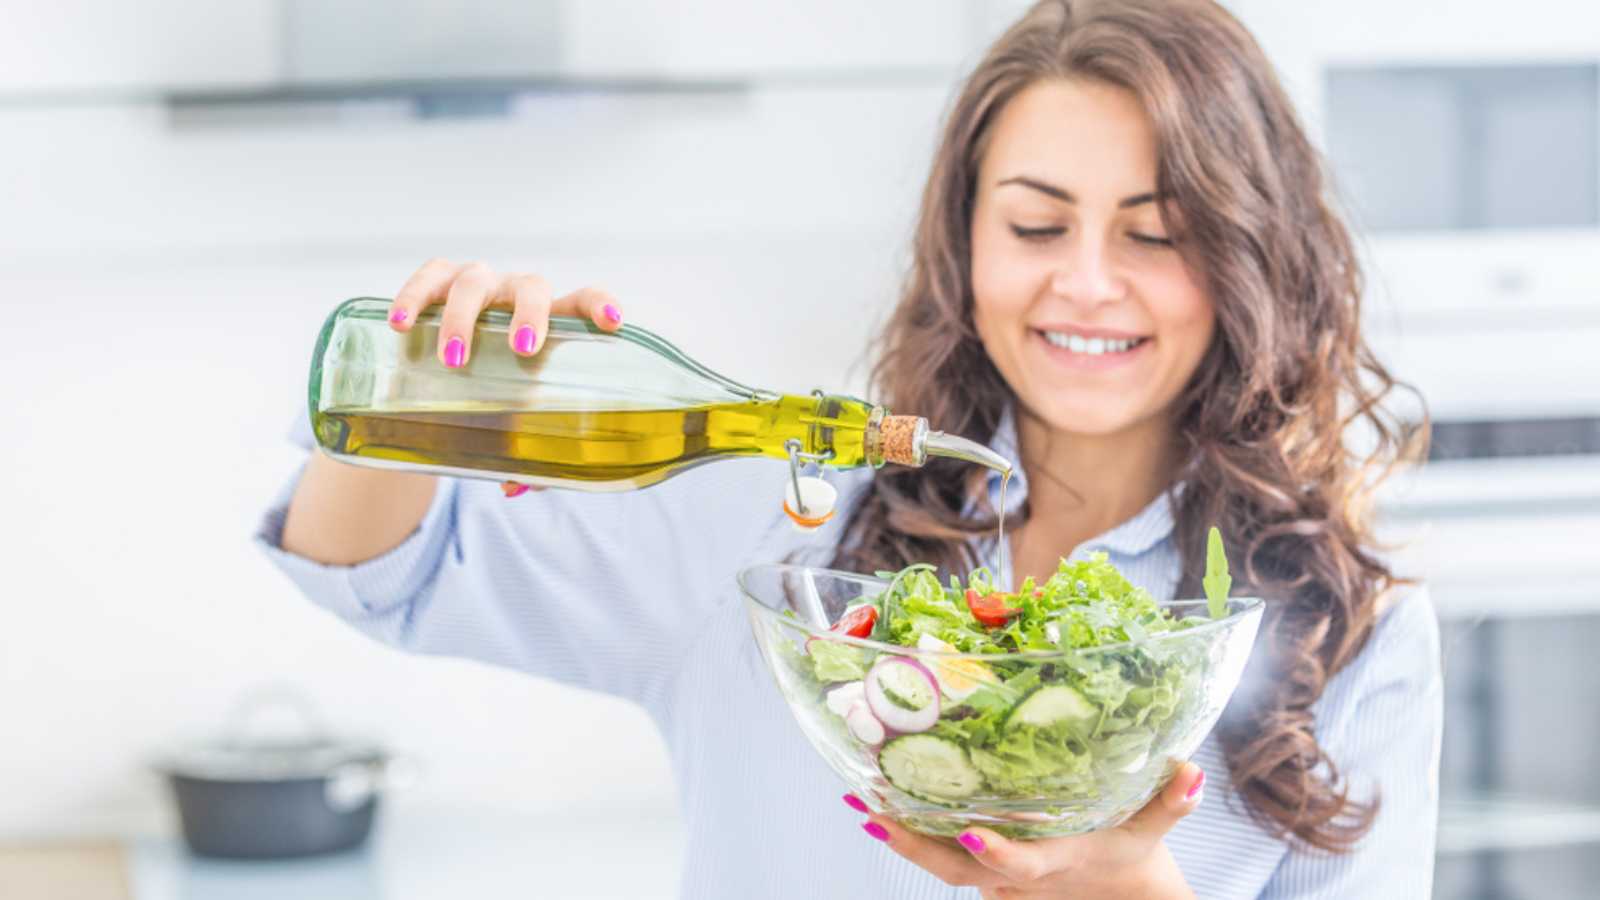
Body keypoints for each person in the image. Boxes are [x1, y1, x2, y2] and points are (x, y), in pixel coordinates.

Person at [257, 0, 1441, 896]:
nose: (1086, 282)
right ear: (963, 246)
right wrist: (420, 395)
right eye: (1034, 223)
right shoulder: (785, 522)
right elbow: (377, 571)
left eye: (1157, 235)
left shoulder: (1350, 630)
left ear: (1248, 261)